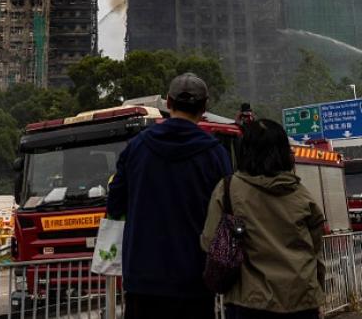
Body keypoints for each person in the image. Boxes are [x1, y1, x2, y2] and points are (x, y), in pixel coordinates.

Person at [107, 72, 232, 319]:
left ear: (169, 102)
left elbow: (115, 205)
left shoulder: (136, 147)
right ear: (204, 107)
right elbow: (228, 212)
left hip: (142, 280)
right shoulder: (215, 154)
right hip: (195, 282)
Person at [201, 119, 325, 319]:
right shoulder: (301, 194)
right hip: (301, 301)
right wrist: (317, 295)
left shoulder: (228, 189)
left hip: (248, 303)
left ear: (245, 150)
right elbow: (316, 250)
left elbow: (209, 241)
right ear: (284, 152)